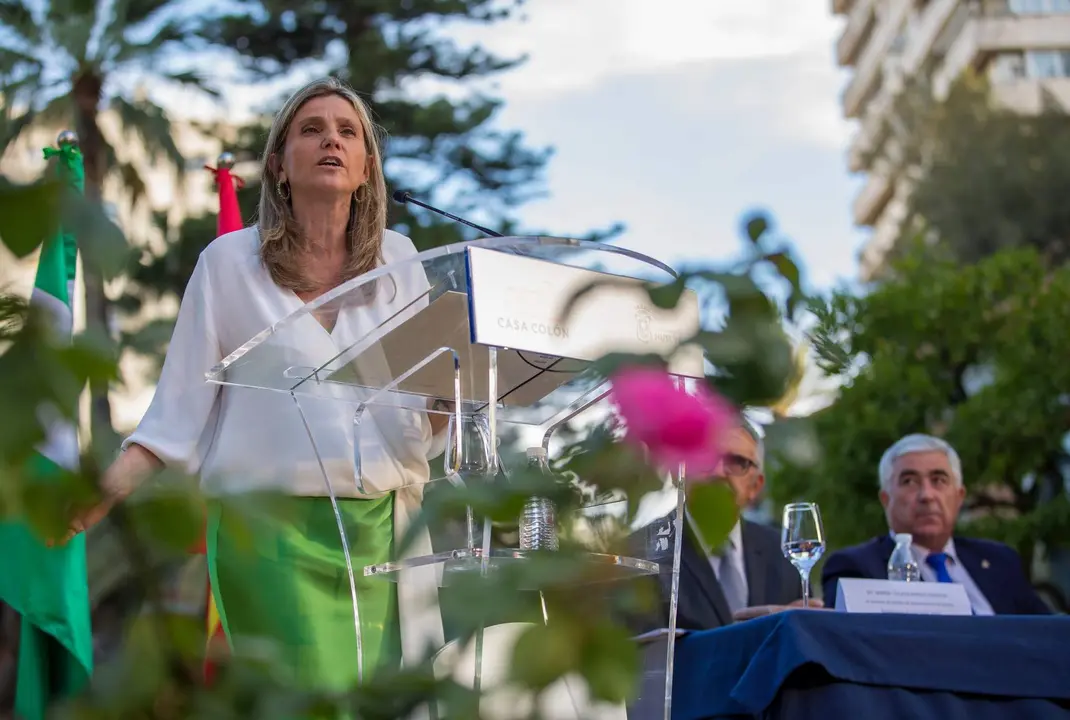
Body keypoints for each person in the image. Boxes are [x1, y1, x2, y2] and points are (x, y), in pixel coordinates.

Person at [61, 77, 449, 689]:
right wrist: (97, 497)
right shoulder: (226, 265)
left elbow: (426, 421)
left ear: (368, 167)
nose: (332, 141)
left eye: (349, 132)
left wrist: (461, 394)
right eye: (312, 129)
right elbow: (175, 417)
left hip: (386, 535)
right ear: (279, 164)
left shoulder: (402, 263)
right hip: (268, 540)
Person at [821, 433, 1051, 615]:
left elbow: (1050, 636)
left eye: (938, 480)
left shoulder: (1000, 560)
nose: (927, 495)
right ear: (885, 499)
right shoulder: (857, 569)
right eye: (909, 481)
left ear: (959, 496)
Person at [640, 418, 811, 632]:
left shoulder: (783, 552)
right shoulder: (640, 552)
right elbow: (647, 657)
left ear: (755, 487)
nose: (718, 472)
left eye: (737, 462)